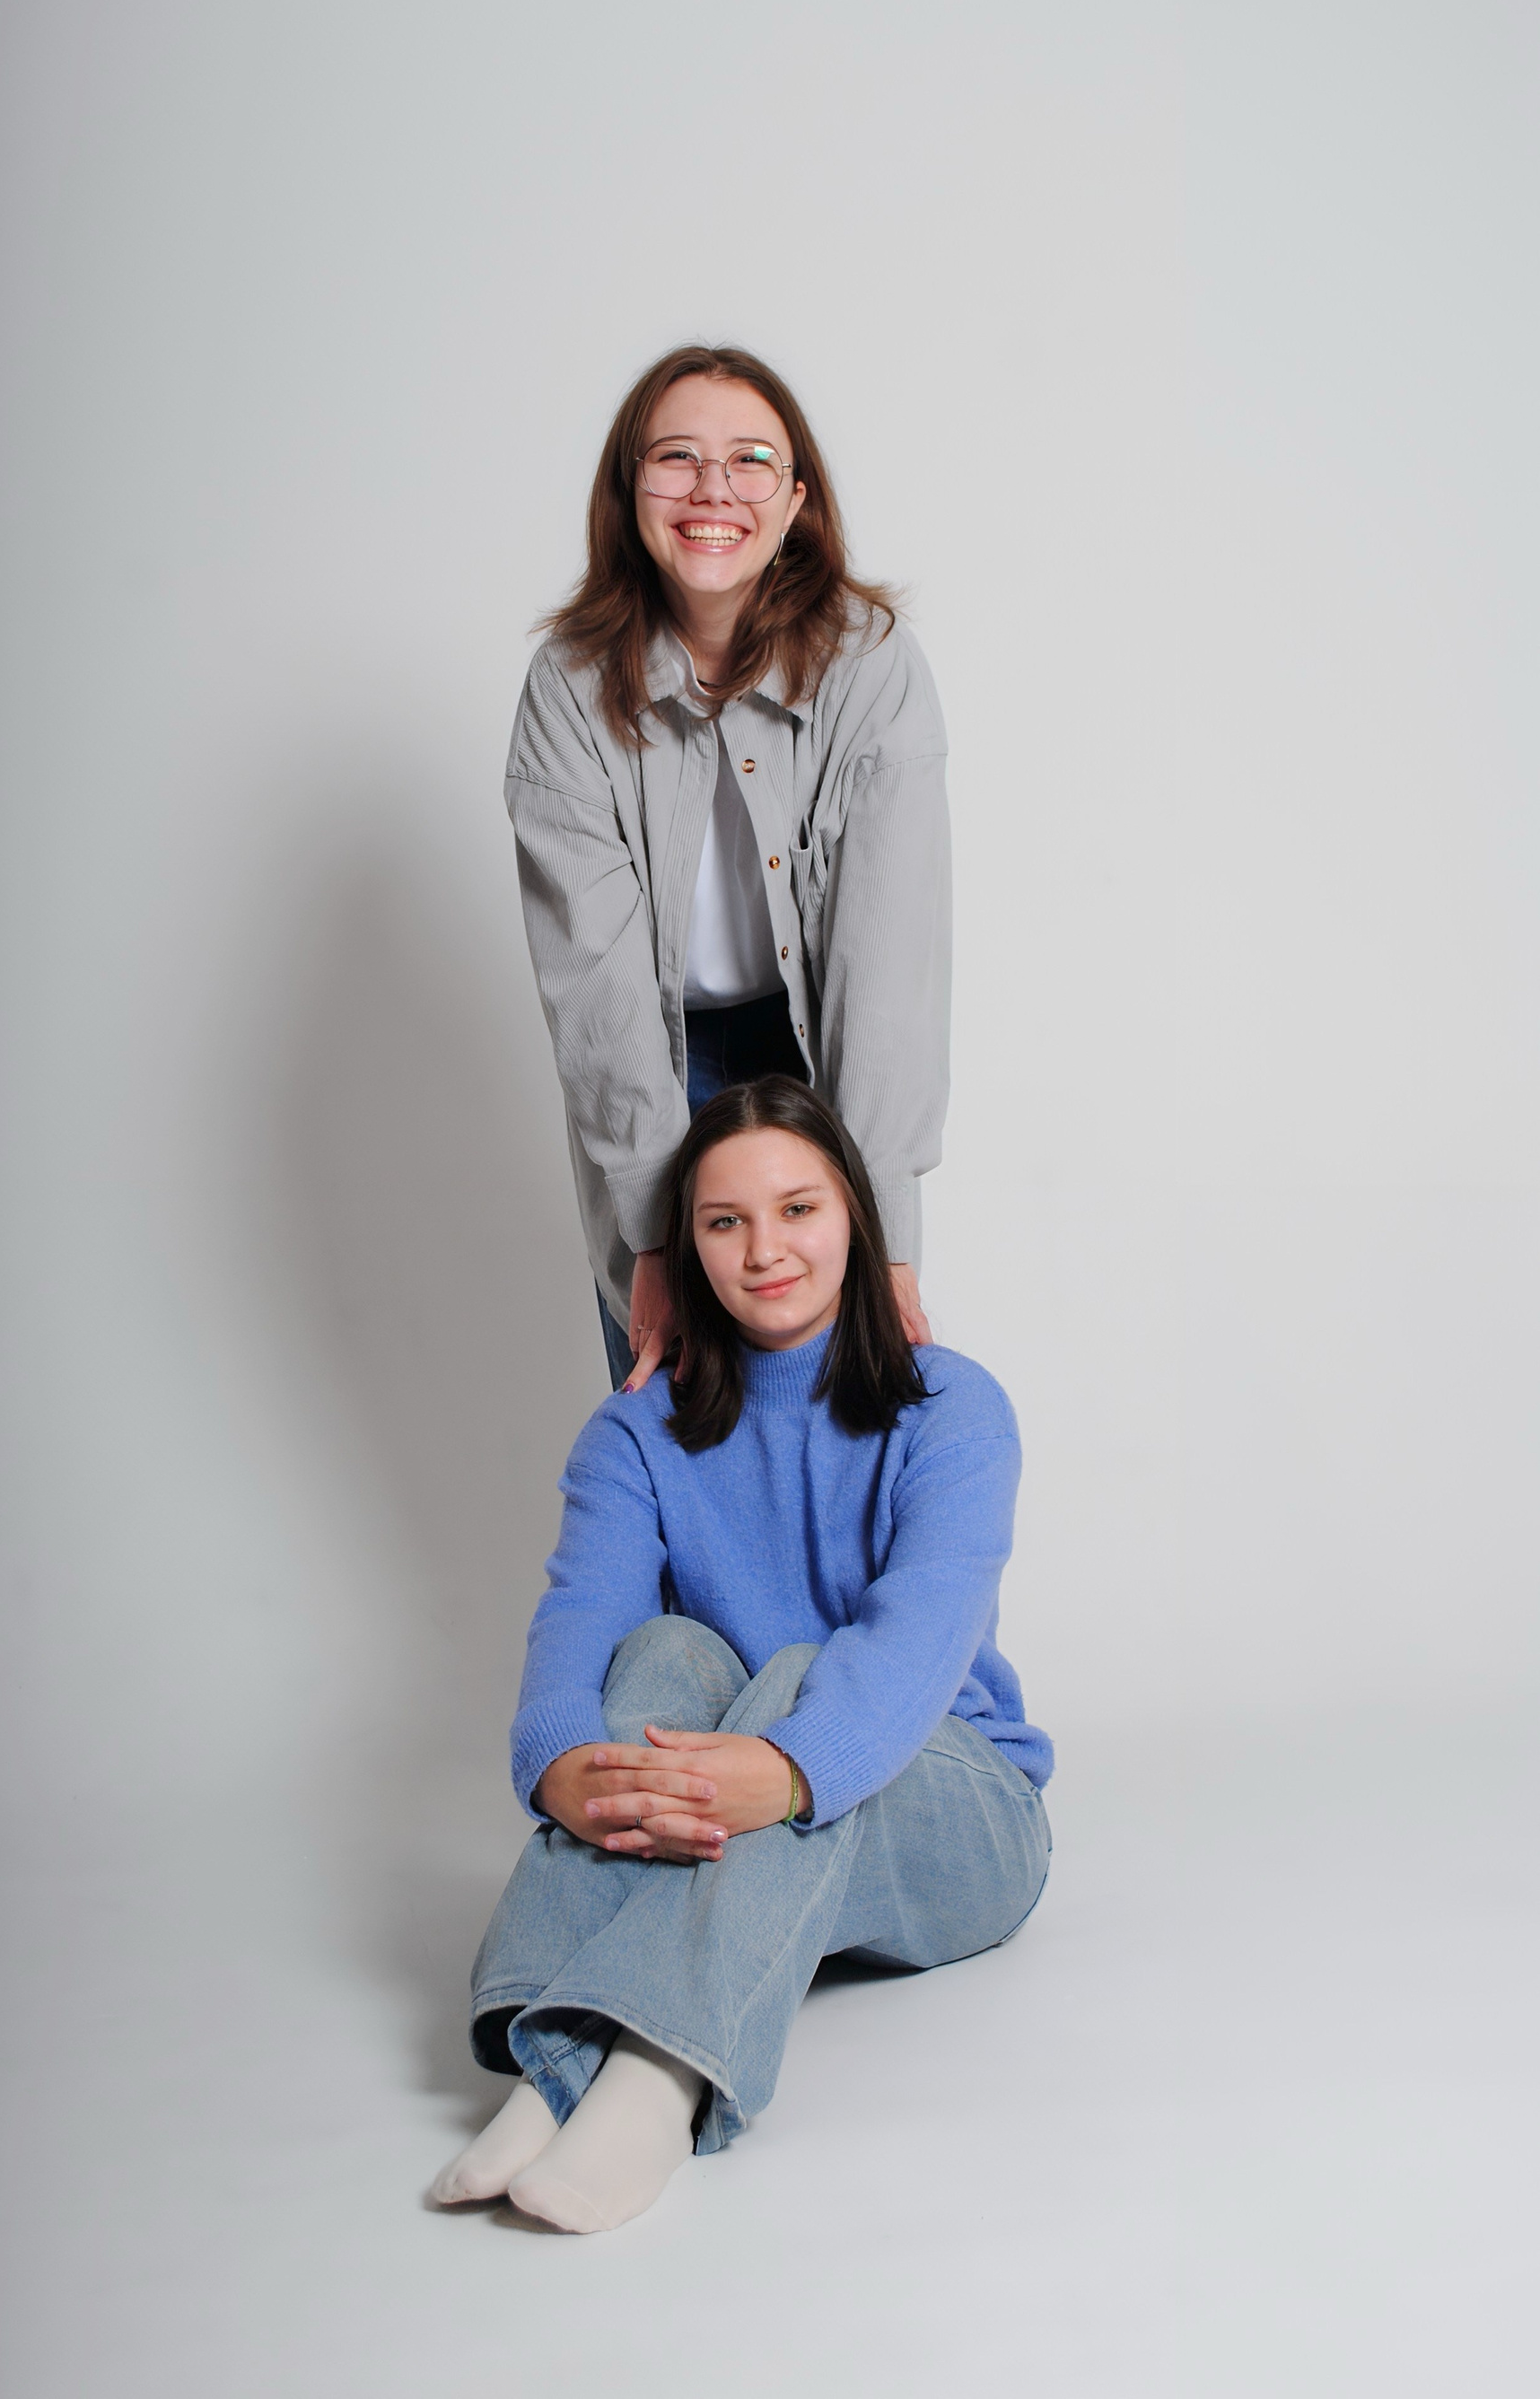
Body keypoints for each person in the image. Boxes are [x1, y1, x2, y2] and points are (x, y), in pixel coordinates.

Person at [431, 1080, 1052, 2234]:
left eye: (799, 1208)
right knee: (664, 1647)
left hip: (957, 1809)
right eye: (726, 1221)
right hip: (731, 1795)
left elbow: (915, 1641)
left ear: (855, 1216)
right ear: (687, 1247)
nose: (766, 1249)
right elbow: (578, 1624)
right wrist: (560, 1760)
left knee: (804, 1672)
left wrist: (788, 1764)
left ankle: (653, 2072)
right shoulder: (633, 1430)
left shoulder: (953, 1406)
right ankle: (555, 2056)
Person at [505, 343, 951, 1391]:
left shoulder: (872, 665)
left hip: (822, 1055)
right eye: (676, 457)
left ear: (796, 499)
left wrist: (884, 1229)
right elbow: (595, 981)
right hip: (652, 1062)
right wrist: (655, 1235)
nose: (713, 489)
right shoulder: (568, 686)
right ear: (631, 489)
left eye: (751, 459)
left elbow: (888, 968)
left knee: (841, 1392)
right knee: (676, 1384)